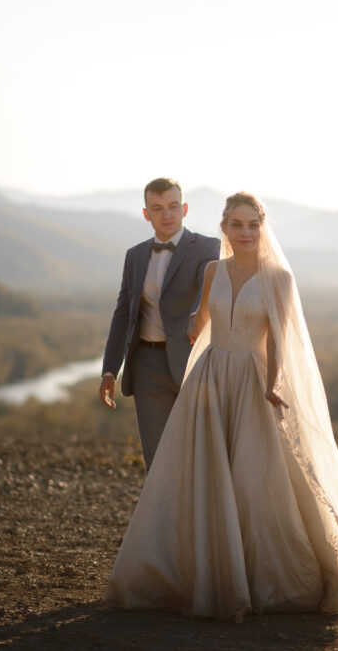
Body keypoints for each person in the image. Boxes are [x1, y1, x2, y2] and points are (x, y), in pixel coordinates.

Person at [105, 192, 338, 620]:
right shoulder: (213, 271)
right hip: (210, 378)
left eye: (253, 225)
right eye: (237, 224)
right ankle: (198, 572)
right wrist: (190, 325)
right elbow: (203, 320)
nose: (245, 232)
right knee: (200, 473)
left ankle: (258, 576)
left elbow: (280, 343)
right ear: (224, 228)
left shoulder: (278, 278)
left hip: (252, 382)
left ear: (262, 229)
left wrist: (273, 386)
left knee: (253, 478)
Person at [100, 178, 221, 470]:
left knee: (200, 453)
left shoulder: (208, 247)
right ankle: (164, 515)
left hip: (194, 362)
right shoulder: (135, 255)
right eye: (157, 208)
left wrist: (197, 316)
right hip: (146, 365)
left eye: (173, 206)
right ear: (146, 214)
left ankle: (199, 515)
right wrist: (109, 370)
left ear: (185, 209)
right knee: (157, 457)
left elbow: (207, 292)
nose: (166, 214)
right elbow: (122, 315)